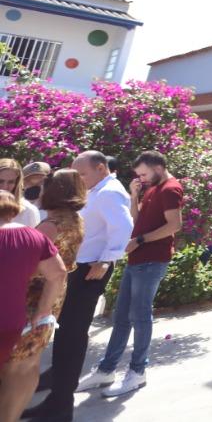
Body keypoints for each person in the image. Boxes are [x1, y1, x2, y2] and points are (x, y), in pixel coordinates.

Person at [26, 152, 133, 421]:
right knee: (66, 334)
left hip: (89, 270)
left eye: (83, 174)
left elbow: (124, 226)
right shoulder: (98, 189)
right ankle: (57, 390)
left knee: (72, 335)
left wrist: (107, 260)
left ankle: (61, 405)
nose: (80, 180)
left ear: (100, 168)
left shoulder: (109, 191)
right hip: (79, 267)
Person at [80, 151, 183, 398]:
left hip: (152, 260)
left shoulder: (170, 188)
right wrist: (135, 195)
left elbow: (174, 225)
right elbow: (134, 221)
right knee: (121, 316)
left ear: (158, 167)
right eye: (139, 175)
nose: (142, 178)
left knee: (140, 316)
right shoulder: (151, 189)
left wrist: (140, 240)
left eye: (144, 174)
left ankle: (137, 372)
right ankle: (106, 370)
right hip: (137, 258)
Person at [0, 171, 84, 422]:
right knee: (29, 363)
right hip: (49, 300)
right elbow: (59, 271)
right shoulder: (74, 219)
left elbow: (30, 265)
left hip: (30, 300)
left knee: (17, 367)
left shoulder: (48, 225)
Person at [0, 161, 40, 228]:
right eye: (0, 181)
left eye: (11, 182)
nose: (5, 187)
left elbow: (35, 238)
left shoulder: (29, 211)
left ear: (17, 183)